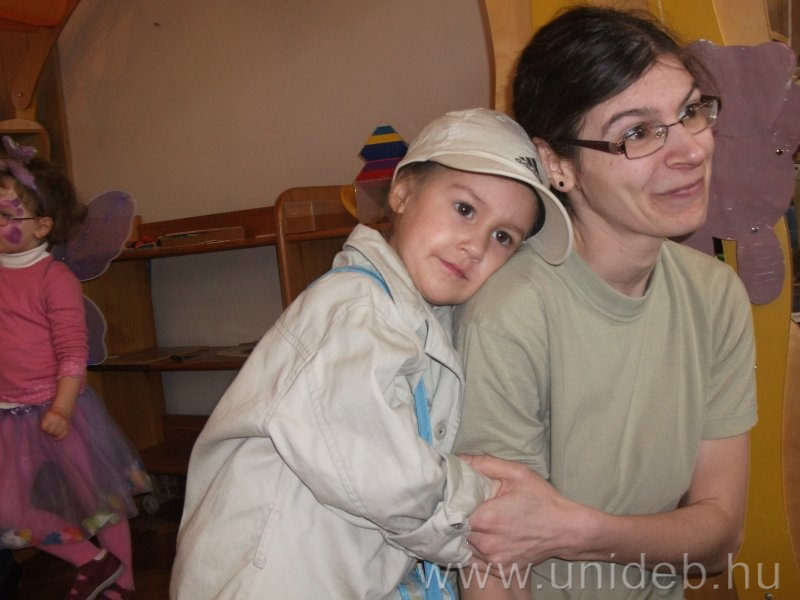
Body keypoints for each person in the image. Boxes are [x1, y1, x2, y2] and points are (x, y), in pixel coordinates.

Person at [170, 107, 573, 599]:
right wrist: (493, 504)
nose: (475, 246)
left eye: (502, 237)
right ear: (402, 193)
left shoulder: (418, 319)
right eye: (465, 209)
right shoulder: (354, 310)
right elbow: (385, 474)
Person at [453, 6, 757, 599]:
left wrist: (581, 530)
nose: (690, 151)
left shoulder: (715, 294)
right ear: (557, 164)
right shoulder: (510, 317)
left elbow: (722, 535)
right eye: (637, 133)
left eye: (690, 112)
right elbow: (495, 567)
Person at [0, 138, 151, 600]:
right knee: (10, 511)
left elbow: (71, 350)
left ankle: (121, 585)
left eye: (4, 216)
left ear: (42, 225)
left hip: (61, 410)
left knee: (101, 501)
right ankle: (93, 561)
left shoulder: (53, 277)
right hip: (9, 414)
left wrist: (63, 409)